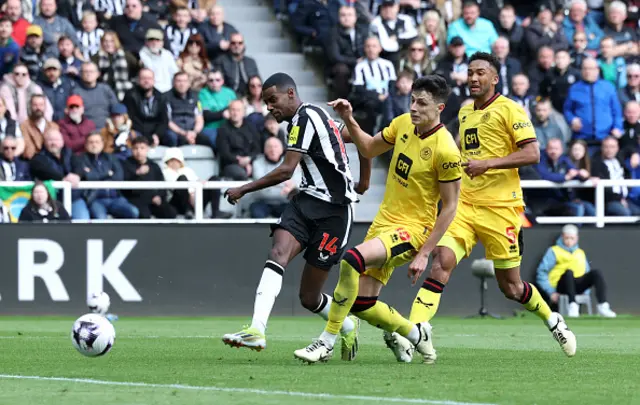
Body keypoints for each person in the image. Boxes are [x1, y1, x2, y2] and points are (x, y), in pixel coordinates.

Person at [386, 52, 577, 364]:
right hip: (465, 205)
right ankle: (416, 331)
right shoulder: (464, 112)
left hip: (501, 209)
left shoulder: (510, 110)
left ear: (494, 78)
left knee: (512, 288)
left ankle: (553, 321)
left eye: (480, 73)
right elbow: (460, 150)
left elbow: (532, 154)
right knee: (441, 261)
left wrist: (490, 163)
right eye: (470, 73)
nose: (473, 78)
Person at [293, 75, 462, 364]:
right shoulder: (402, 124)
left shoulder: (446, 149)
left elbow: (450, 207)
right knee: (361, 303)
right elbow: (369, 148)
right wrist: (349, 118)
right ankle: (414, 334)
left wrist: (424, 253)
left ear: (440, 108)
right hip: (384, 222)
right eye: (412, 100)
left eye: (422, 103)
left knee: (350, 260)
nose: (414, 108)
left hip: (413, 230)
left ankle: (326, 342)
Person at [221, 73, 371, 360]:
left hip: (335, 214)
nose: (269, 108)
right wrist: (363, 180)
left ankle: (348, 324)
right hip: (305, 204)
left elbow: (286, 170)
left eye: (273, 100)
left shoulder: (306, 117)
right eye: (265, 103)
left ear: (291, 93)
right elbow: (360, 139)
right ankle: (256, 329)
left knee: (309, 297)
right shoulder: (311, 119)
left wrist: (244, 188)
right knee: (277, 252)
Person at [536, 224, 617, 318]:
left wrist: (585, 292)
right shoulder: (553, 251)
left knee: (596, 273)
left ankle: (603, 306)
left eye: (572, 238)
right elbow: (542, 273)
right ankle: (572, 306)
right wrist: (551, 292)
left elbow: (586, 271)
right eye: (567, 238)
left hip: (577, 284)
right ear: (562, 237)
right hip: (560, 286)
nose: (569, 241)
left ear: (576, 238)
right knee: (569, 273)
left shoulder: (580, 252)